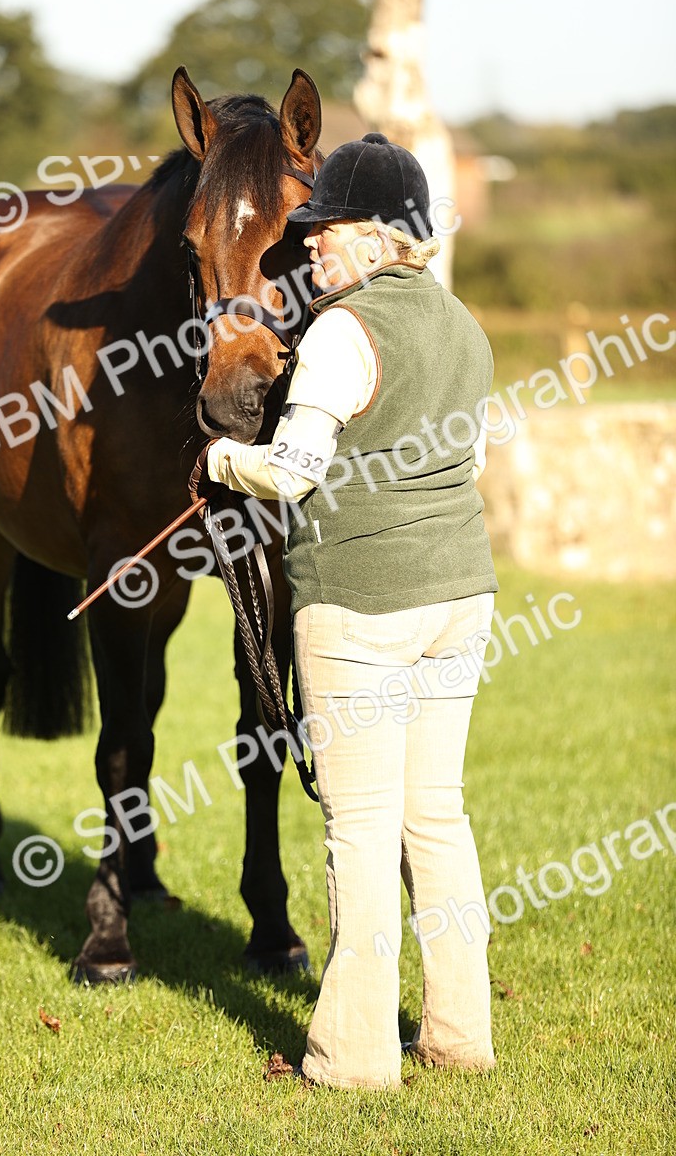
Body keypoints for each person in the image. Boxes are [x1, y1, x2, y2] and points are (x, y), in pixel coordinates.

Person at [190, 133, 498, 1089]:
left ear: (374, 239)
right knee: (435, 821)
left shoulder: (337, 332)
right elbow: (469, 464)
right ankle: (459, 1034)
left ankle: (354, 1058)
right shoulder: (462, 325)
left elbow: (293, 473)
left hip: (360, 608)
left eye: (324, 232)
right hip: (462, 598)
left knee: (359, 830)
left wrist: (217, 463)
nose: (309, 246)